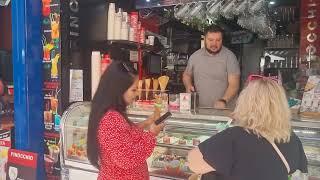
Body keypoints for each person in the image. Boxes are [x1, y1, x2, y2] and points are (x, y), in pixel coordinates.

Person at [187, 77, 308, 180]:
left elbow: (194, 163)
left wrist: (222, 164)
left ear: (245, 103)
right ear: (282, 106)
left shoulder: (234, 137)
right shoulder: (292, 139)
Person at [87, 61, 165, 180]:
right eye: (134, 90)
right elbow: (127, 159)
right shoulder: (110, 119)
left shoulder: (113, 113)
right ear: (118, 90)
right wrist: (151, 134)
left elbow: (125, 135)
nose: (137, 93)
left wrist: (147, 123)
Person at [183, 25, 240, 109]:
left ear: (222, 40)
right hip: (200, 109)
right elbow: (186, 75)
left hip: (224, 110)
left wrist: (223, 100)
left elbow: (234, 85)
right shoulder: (195, 56)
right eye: (210, 40)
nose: (214, 44)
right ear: (204, 38)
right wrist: (188, 86)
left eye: (218, 40)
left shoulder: (230, 57)